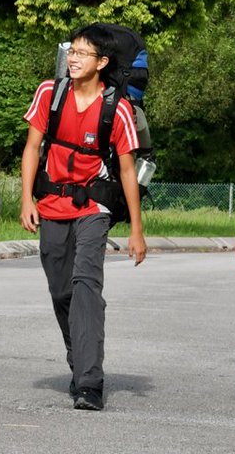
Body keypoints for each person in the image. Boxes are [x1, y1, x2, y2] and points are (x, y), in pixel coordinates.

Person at [18, 23, 146, 412]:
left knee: (86, 283)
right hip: (51, 203)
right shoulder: (49, 93)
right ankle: (80, 355)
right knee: (62, 292)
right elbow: (31, 148)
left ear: (102, 62)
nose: (73, 58)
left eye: (82, 53)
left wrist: (137, 231)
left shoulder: (117, 109)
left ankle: (90, 380)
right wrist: (26, 199)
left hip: (94, 207)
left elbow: (127, 171)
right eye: (71, 51)